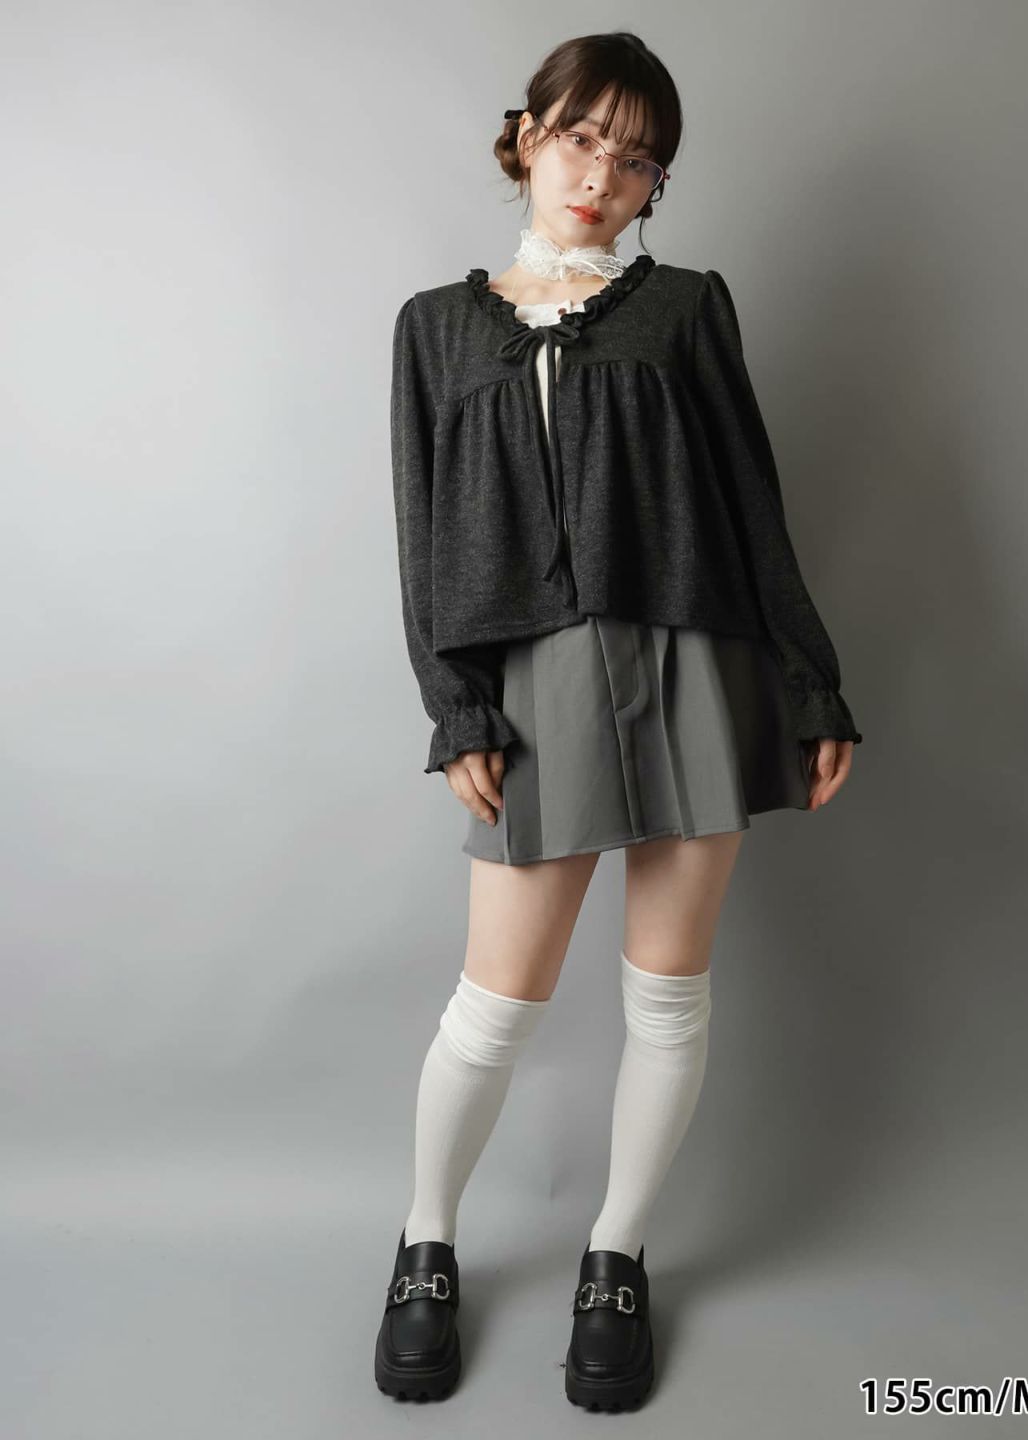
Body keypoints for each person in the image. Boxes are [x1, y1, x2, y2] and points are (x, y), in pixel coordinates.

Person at [374, 31, 862, 1411]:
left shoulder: (688, 309)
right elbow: (423, 534)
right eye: (584, 138)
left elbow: (753, 505)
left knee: (668, 992)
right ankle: (425, 1242)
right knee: (494, 1007)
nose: (604, 175)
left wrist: (811, 679)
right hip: (535, 687)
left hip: (698, 663)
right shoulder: (437, 327)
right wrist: (458, 703)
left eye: (638, 159)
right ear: (528, 136)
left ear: (657, 186)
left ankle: (616, 1254)